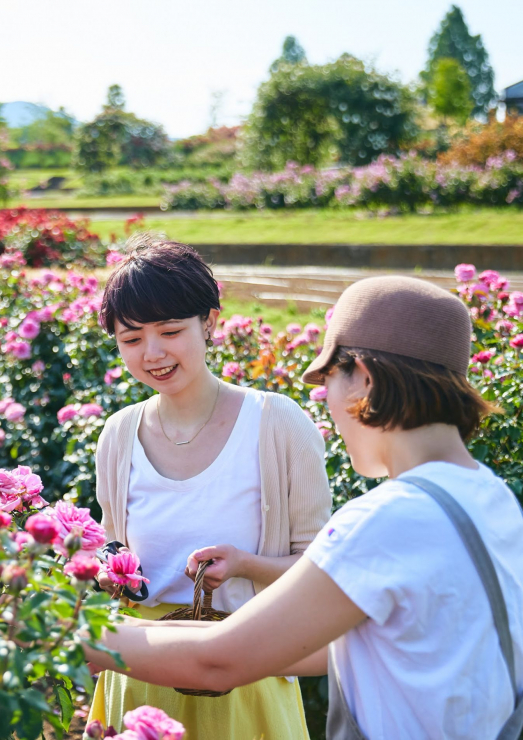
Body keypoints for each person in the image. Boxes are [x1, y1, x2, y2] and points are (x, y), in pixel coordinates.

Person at [84, 275, 523, 740]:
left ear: (364, 379)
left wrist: (68, 632)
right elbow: (321, 651)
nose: (330, 407)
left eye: (328, 382)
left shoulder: (387, 520)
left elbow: (219, 661)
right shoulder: (490, 498)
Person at [88, 235, 332, 739]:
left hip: (243, 669)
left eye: (170, 331)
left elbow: (321, 571)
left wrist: (246, 565)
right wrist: (108, 574)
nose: (152, 353)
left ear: (211, 323)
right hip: (141, 674)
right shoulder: (118, 435)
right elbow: (118, 553)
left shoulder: (275, 423)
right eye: (131, 339)